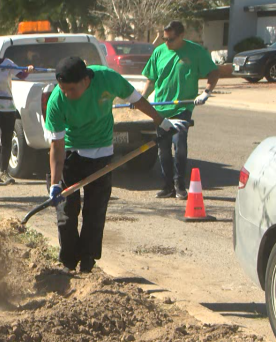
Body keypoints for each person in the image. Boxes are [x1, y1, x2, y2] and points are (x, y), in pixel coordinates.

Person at [45, 57, 188, 273]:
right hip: (70, 153)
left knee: (95, 210)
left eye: (71, 90)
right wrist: (55, 183)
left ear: (86, 80)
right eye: (63, 89)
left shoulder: (108, 79)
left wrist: (161, 121)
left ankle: (87, 262)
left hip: (102, 154)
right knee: (66, 212)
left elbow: (137, 100)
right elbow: (56, 147)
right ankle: (67, 262)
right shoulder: (57, 100)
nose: (67, 95)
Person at [141, 20, 219, 200]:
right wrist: (142, 98)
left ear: (182, 36)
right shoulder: (159, 52)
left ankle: (180, 185)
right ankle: (167, 185)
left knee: (180, 143)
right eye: (164, 39)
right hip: (161, 108)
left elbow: (214, 72)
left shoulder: (196, 52)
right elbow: (151, 79)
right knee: (163, 148)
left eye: (171, 39)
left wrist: (206, 92)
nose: (167, 43)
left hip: (182, 107)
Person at [0, 39, 34, 185]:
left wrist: (28, 70)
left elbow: (21, 74)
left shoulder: (6, 63)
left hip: (8, 107)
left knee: (6, 140)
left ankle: (4, 171)